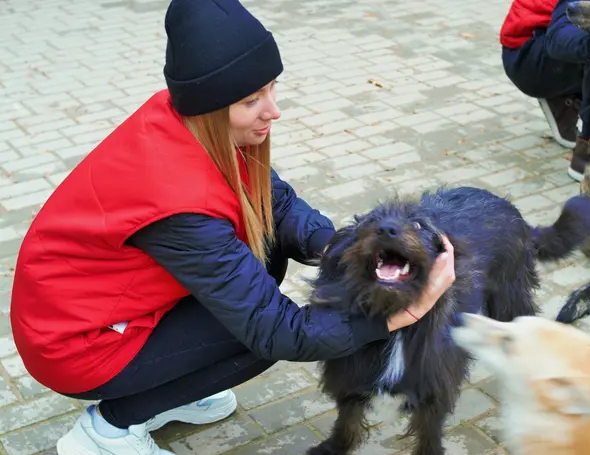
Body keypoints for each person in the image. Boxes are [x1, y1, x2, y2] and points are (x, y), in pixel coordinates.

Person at [9, 1, 456, 454]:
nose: (273, 110)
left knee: (264, 256)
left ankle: (171, 391)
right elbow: (281, 333)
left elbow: (275, 203)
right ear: (214, 104)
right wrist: (402, 315)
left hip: (108, 303)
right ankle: (108, 428)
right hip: (77, 342)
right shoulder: (177, 202)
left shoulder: (194, 120)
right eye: (252, 100)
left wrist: (347, 248)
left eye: (271, 89)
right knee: (257, 342)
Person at [499, 0, 590, 182]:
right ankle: (588, 152)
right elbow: (558, 39)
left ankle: (569, 98)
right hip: (528, 54)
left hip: (561, 44)